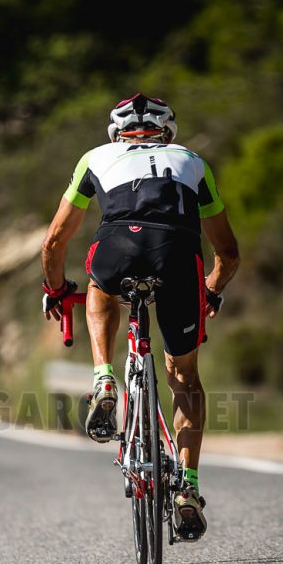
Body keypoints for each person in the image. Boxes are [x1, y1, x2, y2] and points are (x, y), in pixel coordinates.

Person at [41, 93, 239, 540]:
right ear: (168, 131)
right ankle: (187, 487)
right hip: (178, 259)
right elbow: (227, 253)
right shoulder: (193, 162)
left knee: (100, 282)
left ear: (116, 131)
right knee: (185, 379)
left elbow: (55, 241)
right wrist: (209, 291)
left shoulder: (95, 157)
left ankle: (104, 378)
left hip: (118, 248)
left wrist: (55, 289)